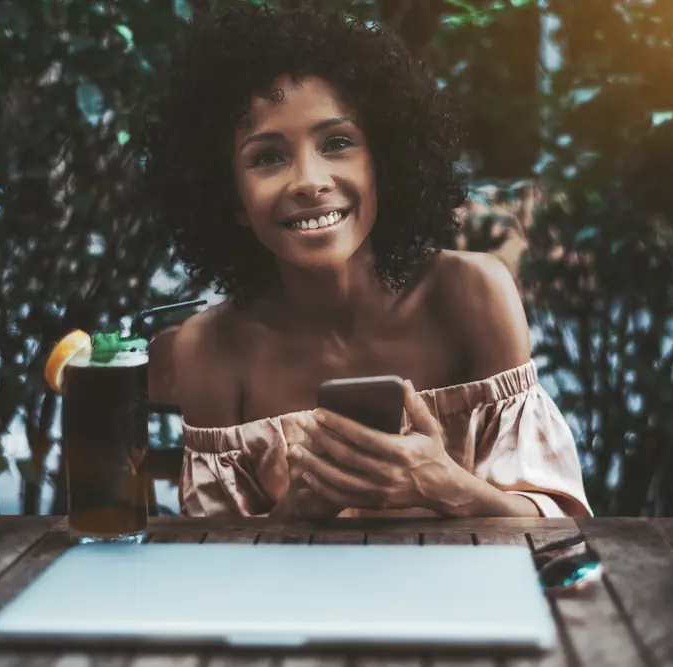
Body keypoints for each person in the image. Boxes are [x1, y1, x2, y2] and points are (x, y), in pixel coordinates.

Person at [145, 1, 592, 519]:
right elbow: (213, 575)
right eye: (268, 156)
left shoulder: (470, 295)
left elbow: (557, 533)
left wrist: (441, 483)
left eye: (337, 143)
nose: (309, 181)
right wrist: (296, 515)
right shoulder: (212, 349)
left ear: (385, 163)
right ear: (230, 198)